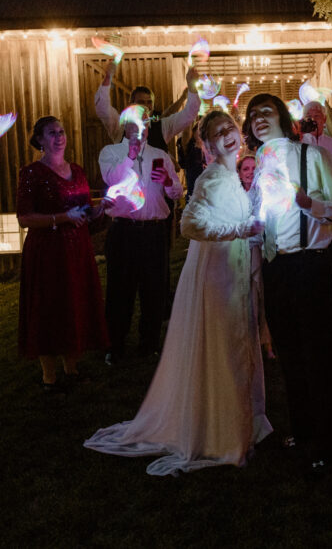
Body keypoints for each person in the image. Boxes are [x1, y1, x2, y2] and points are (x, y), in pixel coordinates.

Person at [85, 111, 271, 475]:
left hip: (232, 269)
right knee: (224, 347)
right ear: (207, 144)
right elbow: (189, 224)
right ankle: (222, 435)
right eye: (217, 134)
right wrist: (240, 228)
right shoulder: (213, 178)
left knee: (237, 343)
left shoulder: (233, 174)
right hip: (217, 275)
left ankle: (239, 425)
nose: (227, 136)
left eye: (229, 129)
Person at [244, 93, 332, 476]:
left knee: (317, 353)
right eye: (252, 114)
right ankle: (302, 430)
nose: (258, 118)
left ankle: (328, 442)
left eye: (266, 111)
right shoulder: (259, 164)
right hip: (276, 266)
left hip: (311, 263)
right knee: (288, 352)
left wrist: (311, 204)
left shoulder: (314, 157)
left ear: (283, 116)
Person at [16, 116, 108, 392]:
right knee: (49, 307)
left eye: (62, 131)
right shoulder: (32, 173)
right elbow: (24, 218)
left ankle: (72, 368)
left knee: (74, 304)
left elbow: (84, 211)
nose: (59, 137)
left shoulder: (77, 171)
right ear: (40, 140)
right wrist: (62, 218)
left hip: (77, 249)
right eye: (51, 133)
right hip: (47, 252)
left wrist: (99, 208)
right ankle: (49, 377)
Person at [99, 104, 183, 362]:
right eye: (136, 123)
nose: (142, 128)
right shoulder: (111, 152)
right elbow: (112, 180)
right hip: (124, 230)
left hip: (155, 232)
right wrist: (130, 156)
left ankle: (149, 344)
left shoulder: (161, 154)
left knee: (154, 290)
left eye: (146, 122)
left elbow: (177, 193)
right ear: (125, 125)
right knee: (119, 290)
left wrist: (168, 182)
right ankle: (115, 345)